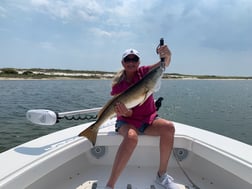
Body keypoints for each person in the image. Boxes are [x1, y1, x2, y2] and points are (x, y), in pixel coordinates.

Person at [105, 44, 178, 189]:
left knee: (169, 128)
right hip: (126, 121)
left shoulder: (144, 72)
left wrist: (167, 55)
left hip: (148, 120)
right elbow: (124, 112)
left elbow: (163, 65)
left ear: (139, 62)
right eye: (128, 60)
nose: (131, 63)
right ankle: (110, 185)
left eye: (134, 60)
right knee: (131, 137)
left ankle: (161, 175)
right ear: (123, 63)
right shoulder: (117, 86)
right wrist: (126, 113)